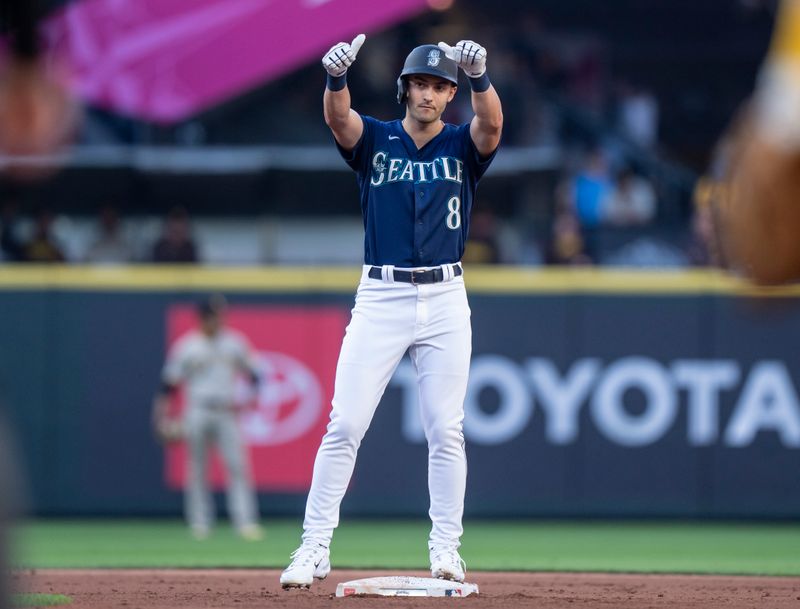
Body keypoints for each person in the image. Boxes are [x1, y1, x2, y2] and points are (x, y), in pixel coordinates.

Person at [279, 34, 502, 589]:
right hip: (381, 293)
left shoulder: (458, 145)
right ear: (405, 88)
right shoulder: (378, 139)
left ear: (451, 94)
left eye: (439, 86)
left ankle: (447, 548)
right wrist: (335, 79)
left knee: (446, 430)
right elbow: (340, 119)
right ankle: (314, 547)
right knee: (345, 423)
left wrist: (481, 78)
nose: (428, 94)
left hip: (446, 295)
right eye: (421, 84)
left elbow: (492, 127)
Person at [152, 294, 263, 541]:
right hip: (198, 410)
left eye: (219, 315)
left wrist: (248, 400)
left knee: (237, 467)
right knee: (197, 469)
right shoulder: (187, 346)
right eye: (212, 316)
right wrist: (160, 416)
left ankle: (245, 522)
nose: (217, 320)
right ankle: (200, 522)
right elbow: (169, 385)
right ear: (202, 318)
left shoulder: (234, 342)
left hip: (226, 411)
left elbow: (256, 375)